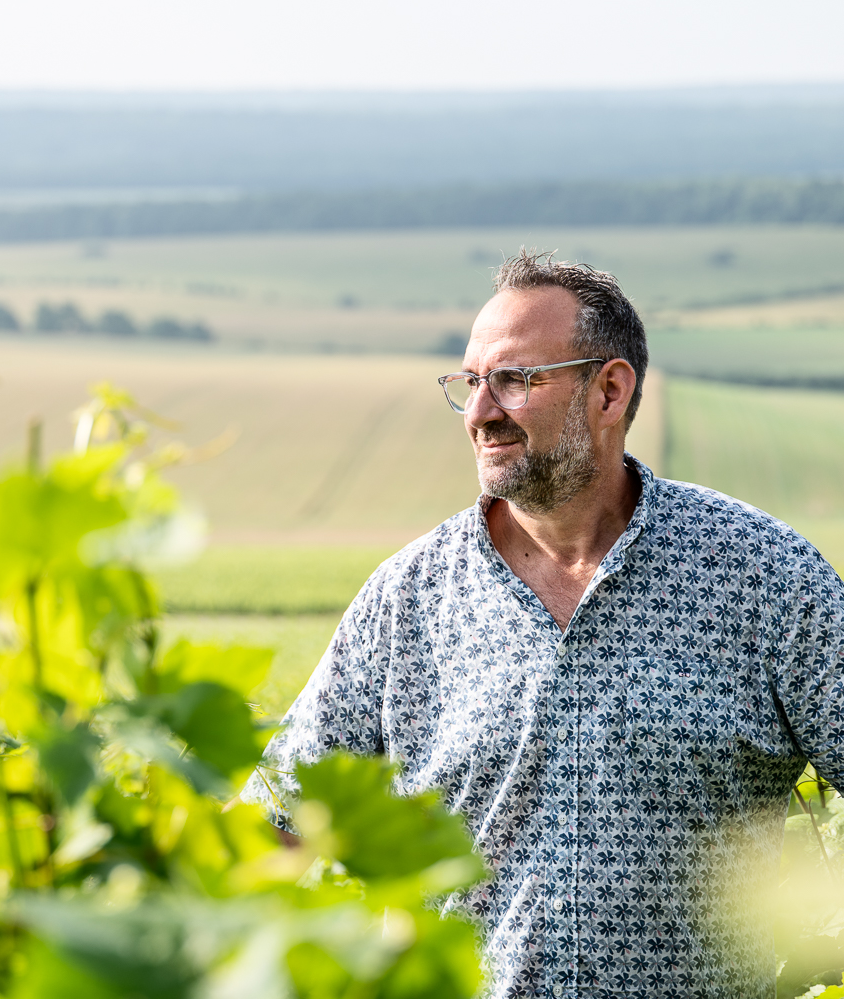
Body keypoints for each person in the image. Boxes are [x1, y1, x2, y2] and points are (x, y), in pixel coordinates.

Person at [238, 250, 844, 998]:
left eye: (515, 380)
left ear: (610, 391)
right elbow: (276, 821)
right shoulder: (408, 599)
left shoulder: (761, 576)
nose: (481, 413)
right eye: (471, 383)